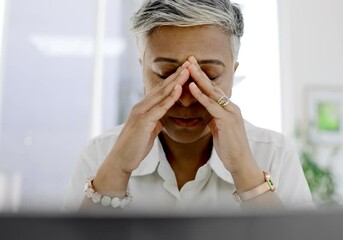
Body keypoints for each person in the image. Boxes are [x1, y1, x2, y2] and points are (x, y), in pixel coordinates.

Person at [63, 0, 314, 213]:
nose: (185, 97)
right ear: (142, 71)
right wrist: (117, 169)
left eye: (208, 76)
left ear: (233, 73)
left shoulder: (275, 155)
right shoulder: (100, 154)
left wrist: (245, 172)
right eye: (166, 74)